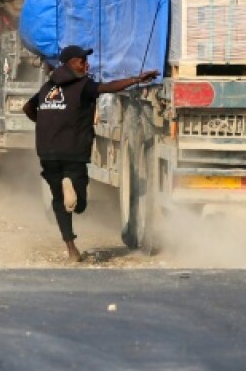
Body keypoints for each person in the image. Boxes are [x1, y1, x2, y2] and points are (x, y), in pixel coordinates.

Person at [23, 45, 157, 262]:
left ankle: (71, 249)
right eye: (81, 61)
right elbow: (108, 88)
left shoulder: (47, 88)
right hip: (73, 151)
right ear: (69, 64)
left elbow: (27, 108)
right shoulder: (83, 86)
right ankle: (72, 186)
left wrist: (44, 125)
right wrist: (136, 80)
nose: (87, 64)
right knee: (81, 204)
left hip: (47, 152)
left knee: (59, 202)